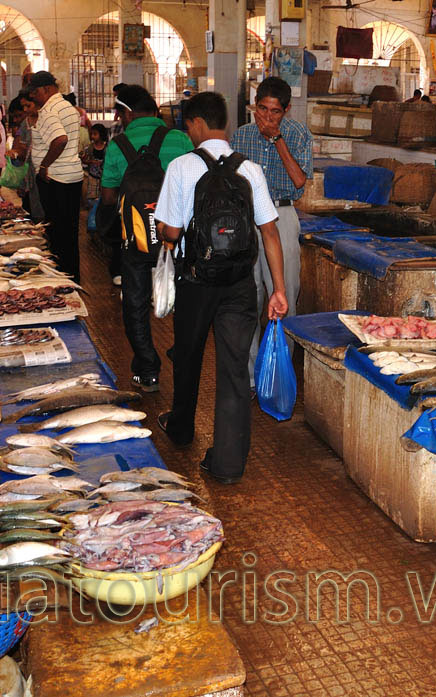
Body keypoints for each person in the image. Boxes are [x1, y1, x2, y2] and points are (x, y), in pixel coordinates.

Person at [155, 92, 287, 483]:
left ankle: (181, 429)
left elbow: (171, 232)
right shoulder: (251, 169)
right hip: (239, 284)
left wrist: (161, 227)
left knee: (188, 356)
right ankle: (228, 464)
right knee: (233, 370)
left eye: (188, 126)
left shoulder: (181, 166)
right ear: (225, 123)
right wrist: (278, 290)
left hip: (196, 280)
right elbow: (269, 233)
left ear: (196, 123)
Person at [99, 84, 194, 392]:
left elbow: (108, 197)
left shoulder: (118, 145)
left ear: (127, 114)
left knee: (135, 304)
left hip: (136, 238)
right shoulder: (179, 139)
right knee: (184, 299)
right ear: (155, 112)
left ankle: (148, 369)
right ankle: (183, 357)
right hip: (176, 237)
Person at [229, 77, 310, 371]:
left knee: (284, 293)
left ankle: (279, 369)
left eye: (275, 111)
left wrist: (277, 140)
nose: (267, 117)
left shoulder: (298, 134)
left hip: (281, 214)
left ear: (286, 110)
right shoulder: (241, 136)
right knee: (248, 295)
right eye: (262, 109)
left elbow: (299, 181)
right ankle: (250, 374)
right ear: (255, 106)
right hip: (247, 218)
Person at [26, 71, 84, 280]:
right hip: (72, 175)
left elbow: (60, 140)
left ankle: (60, 277)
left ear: (47, 89)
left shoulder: (48, 111)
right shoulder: (68, 107)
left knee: (57, 232)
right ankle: (72, 275)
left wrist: (44, 165)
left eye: (35, 92)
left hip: (55, 178)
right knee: (70, 232)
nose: (33, 97)